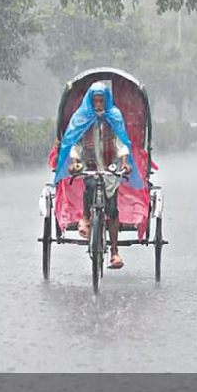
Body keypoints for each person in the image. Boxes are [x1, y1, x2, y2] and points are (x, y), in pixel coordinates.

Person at [54, 82, 141, 270]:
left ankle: (115, 252)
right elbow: (75, 144)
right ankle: (85, 218)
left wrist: (125, 163)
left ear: (106, 101)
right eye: (96, 101)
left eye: (102, 101)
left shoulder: (114, 117)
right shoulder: (82, 117)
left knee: (112, 209)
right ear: (90, 101)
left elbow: (121, 143)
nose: (99, 105)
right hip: (90, 165)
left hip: (110, 168)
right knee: (90, 186)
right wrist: (75, 162)